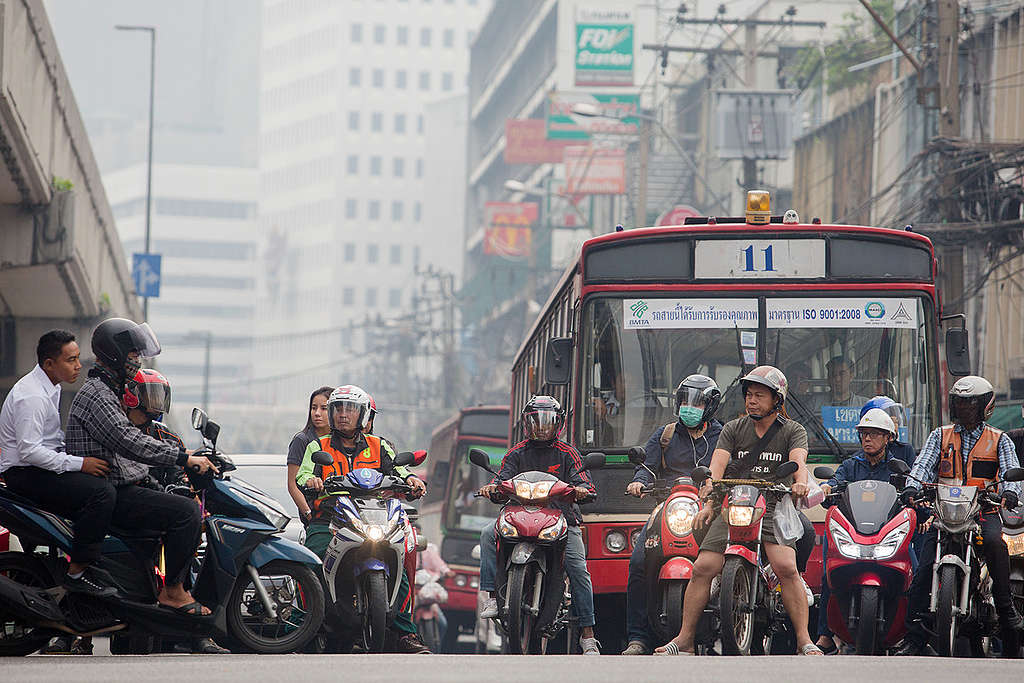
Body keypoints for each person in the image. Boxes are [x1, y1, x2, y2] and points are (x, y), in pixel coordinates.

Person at [654, 365, 824, 656]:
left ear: (777, 400)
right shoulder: (733, 429)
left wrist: (798, 484)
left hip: (771, 503)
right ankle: (684, 639)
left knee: (786, 567)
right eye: (749, 395)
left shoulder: (792, 431)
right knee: (702, 567)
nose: (752, 400)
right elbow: (717, 466)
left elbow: (798, 462)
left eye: (759, 395)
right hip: (733, 501)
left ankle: (804, 640)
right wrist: (709, 494)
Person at [63, 318, 218, 616]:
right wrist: (184, 458)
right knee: (186, 513)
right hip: (112, 492)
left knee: (177, 507)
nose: (136, 361)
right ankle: (173, 591)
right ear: (115, 354)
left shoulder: (109, 392)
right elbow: (128, 441)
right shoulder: (98, 394)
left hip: (121, 487)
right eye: (132, 355)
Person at [295, 384, 430, 654]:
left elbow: (399, 470)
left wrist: (412, 480)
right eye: (338, 409)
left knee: (399, 560)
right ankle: (306, 627)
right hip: (330, 519)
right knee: (310, 561)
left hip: (374, 516)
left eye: (350, 409)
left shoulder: (379, 446)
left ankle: (405, 633)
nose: (343, 415)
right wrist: (311, 480)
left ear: (364, 415)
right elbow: (302, 475)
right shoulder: (316, 446)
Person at [896, 375, 1024, 657]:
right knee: (923, 567)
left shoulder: (999, 440)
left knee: (995, 544)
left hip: (983, 512)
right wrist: (911, 488)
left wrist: (1011, 492)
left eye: (970, 404)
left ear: (984, 407)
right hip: (944, 514)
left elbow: (1011, 472)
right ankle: (915, 637)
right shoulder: (939, 435)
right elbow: (922, 466)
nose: (964, 409)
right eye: (960, 403)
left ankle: (1006, 610)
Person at [0, 330, 108, 655]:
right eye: (71, 360)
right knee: (101, 495)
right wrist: (80, 464)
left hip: (37, 470)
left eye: (78, 358)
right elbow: (31, 451)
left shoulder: (52, 388)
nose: (78, 365)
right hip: (25, 476)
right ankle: (78, 572)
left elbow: (53, 440)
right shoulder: (31, 396)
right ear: (50, 363)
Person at [477, 395, 601, 655]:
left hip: (562, 520)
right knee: (488, 533)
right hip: (518, 517)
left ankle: (588, 635)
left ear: (559, 424)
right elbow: (501, 481)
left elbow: (587, 485)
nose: (542, 427)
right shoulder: (516, 453)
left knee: (578, 569)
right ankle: (491, 596)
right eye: (537, 421)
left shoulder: (568, 454)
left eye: (548, 421)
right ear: (527, 423)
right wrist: (492, 489)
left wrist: (581, 491)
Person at [120, 369, 230, 655]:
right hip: (133, 514)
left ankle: (199, 635)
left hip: (169, 513)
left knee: (189, 564)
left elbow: (182, 470)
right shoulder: (120, 431)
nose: (155, 401)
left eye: (160, 394)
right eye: (149, 394)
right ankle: (72, 638)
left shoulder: (167, 435)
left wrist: (191, 479)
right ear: (133, 396)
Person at [621, 374, 723, 655]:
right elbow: (647, 466)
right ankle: (638, 637)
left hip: (709, 509)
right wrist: (639, 481)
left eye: (697, 403)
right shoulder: (665, 435)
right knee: (640, 560)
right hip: (669, 507)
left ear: (711, 407)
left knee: (728, 560)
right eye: (685, 402)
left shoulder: (723, 436)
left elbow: (729, 468)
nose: (688, 408)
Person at [814, 408, 900, 653]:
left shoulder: (897, 467)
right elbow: (833, 483)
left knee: (914, 571)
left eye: (874, 434)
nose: (867, 439)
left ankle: (911, 631)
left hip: (886, 534)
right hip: (854, 532)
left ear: (888, 438)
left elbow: (911, 490)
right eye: (863, 434)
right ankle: (825, 634)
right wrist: (826, 489)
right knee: (828, 573)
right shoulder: (851, 465)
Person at [286, 386, 333, 525]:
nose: (317, 413)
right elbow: (292, 485)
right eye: (314, 408)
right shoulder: (302, 440)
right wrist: (309, 514)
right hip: (317, 519)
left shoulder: (340, 442)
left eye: (324, 408)